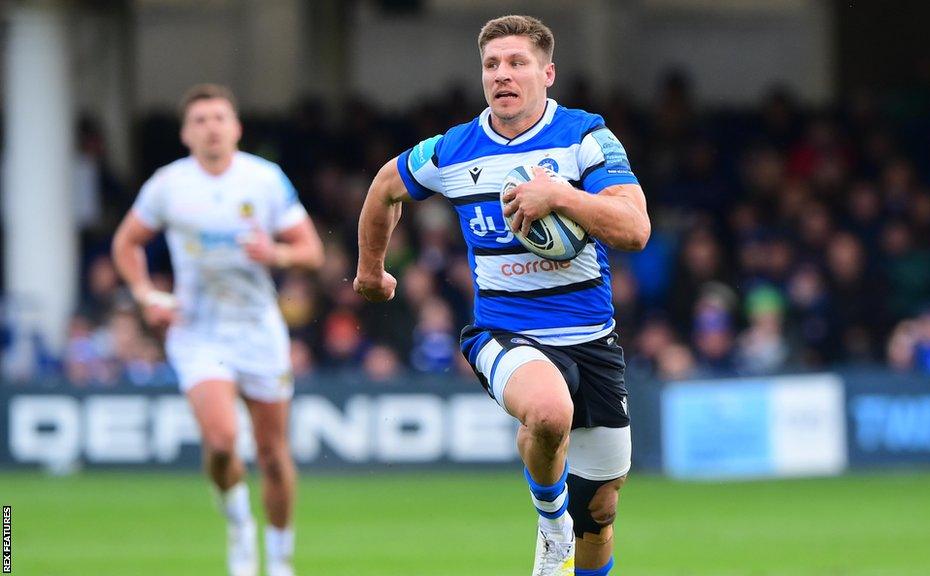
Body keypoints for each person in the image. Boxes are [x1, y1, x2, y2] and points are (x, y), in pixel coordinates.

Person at [354, 15, 649, 576]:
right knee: (547, 409)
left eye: (517, 63)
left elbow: (634, 229)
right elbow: (385, 187)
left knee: (602, 510)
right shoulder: (454, 149)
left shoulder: (586, 137)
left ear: (548, 73)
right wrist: (371, 270)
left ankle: (571, 529)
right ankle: (550, 522)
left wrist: (560, 197)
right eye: (492, 65)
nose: (502, 75)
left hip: (593, 338)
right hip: (503, 331)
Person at [112, 84, 324, 576]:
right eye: (201, 120)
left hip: (258, 329)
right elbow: (127, 244)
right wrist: (146, 295)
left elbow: (311, 252)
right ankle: (238, 525)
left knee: (272, 455)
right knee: (224, 441)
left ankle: (280, 560)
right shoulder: (168, 185)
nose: (211, 127)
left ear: (236, 128)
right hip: (198, 330)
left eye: (220, 118)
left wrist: (277, 254)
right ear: (187, 133)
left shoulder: (264, 179)